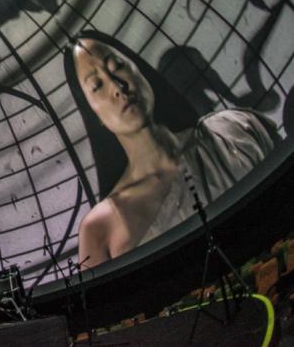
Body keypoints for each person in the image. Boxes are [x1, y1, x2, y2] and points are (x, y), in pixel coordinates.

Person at [63, 30, 280, 268]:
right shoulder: (100, 228)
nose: (117, 86)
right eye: (97, 85)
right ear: (93, 114)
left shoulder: (236, 129)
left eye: (118, 67)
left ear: (140, 71)